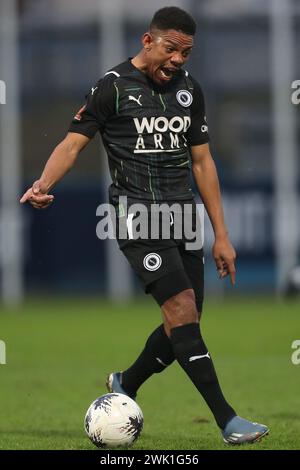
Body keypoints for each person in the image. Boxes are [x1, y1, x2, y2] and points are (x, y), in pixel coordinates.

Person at [20, 6, 269, 445]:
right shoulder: (112, 88)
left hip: (183, 218)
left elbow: (203, 162)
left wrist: (222, 234)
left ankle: (126, 382)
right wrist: (43, 183)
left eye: (186, 53)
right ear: (147, 41)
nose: (177, 60)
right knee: (181, 313)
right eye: (171, 48)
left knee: (184, 325)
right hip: (136, 217)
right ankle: (228, 420)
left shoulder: (190, 90)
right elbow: (72, 143)